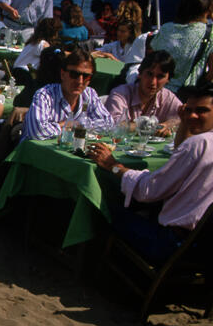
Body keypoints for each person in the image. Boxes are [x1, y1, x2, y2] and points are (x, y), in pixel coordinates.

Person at [89, 83, 213, 263]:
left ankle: (92, 272)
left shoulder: (199, 145)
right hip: (203, 247)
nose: (193, 115)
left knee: (103, 207)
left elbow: (149, 190)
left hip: (173, 245)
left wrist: (114, 166)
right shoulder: (199, 144)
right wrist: (185, 122)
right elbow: (181, 153)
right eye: (189, 110)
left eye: (201, 111)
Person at [22, 46, 114, 140]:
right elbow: (37, 132)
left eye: (86, 76)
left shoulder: (90, 94)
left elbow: (108, 124)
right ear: (62, 74)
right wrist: (77, 126)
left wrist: (74, 124)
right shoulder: (45, 95)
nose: (80, 81)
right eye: (74, 74)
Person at [150, 0, 213, 92]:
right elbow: (211, 72)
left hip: (158, 89)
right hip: (186, 95)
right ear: (206, 12)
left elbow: (152, 55)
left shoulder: (166, 28)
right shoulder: (209, 33)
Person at [104, 51, 181, 130]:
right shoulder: (120, 93)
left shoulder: (167, 97)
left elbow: (182, 118)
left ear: (168, 79)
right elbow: (113, 126)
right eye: (149, 74)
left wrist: (167, 125)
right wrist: (152, 126)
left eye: (160, 76)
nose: (153, 82)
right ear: (140, 73)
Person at [13, 18, 60, 82]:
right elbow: (53, 57)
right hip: (24, 75)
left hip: (17, 71)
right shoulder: (42, 44)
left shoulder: (33, 42)